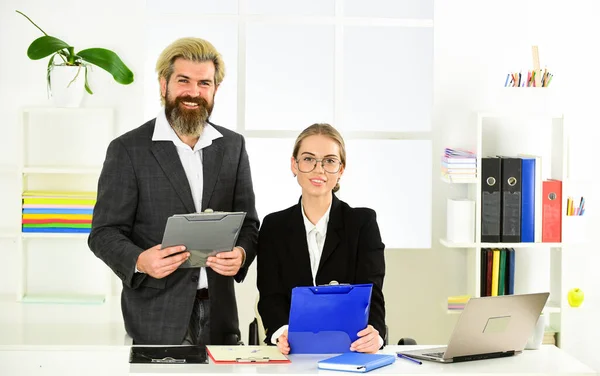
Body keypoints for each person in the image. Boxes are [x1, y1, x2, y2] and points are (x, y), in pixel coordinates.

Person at [88, 37, 259, 345]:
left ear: (215, 90)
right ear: (163, 85)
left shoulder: (233, 147)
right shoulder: (128, 150)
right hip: (155, 318)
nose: (194, 93)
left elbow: (249, 224)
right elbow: (104, 233)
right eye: (184, 81)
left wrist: (242, 254)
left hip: (221, 317)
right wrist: (141, 261)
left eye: (204, 83)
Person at [257, 123, 386, 354]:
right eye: (308, 159)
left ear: (341, 169)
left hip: (350, 348)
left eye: (329, 161)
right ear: (294, 165)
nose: (319, 170)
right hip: (290, 351)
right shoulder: (273, 226)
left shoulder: (362, 223)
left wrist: (375, 334)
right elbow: (270, 297)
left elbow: (372, 293)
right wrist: (281, 332)